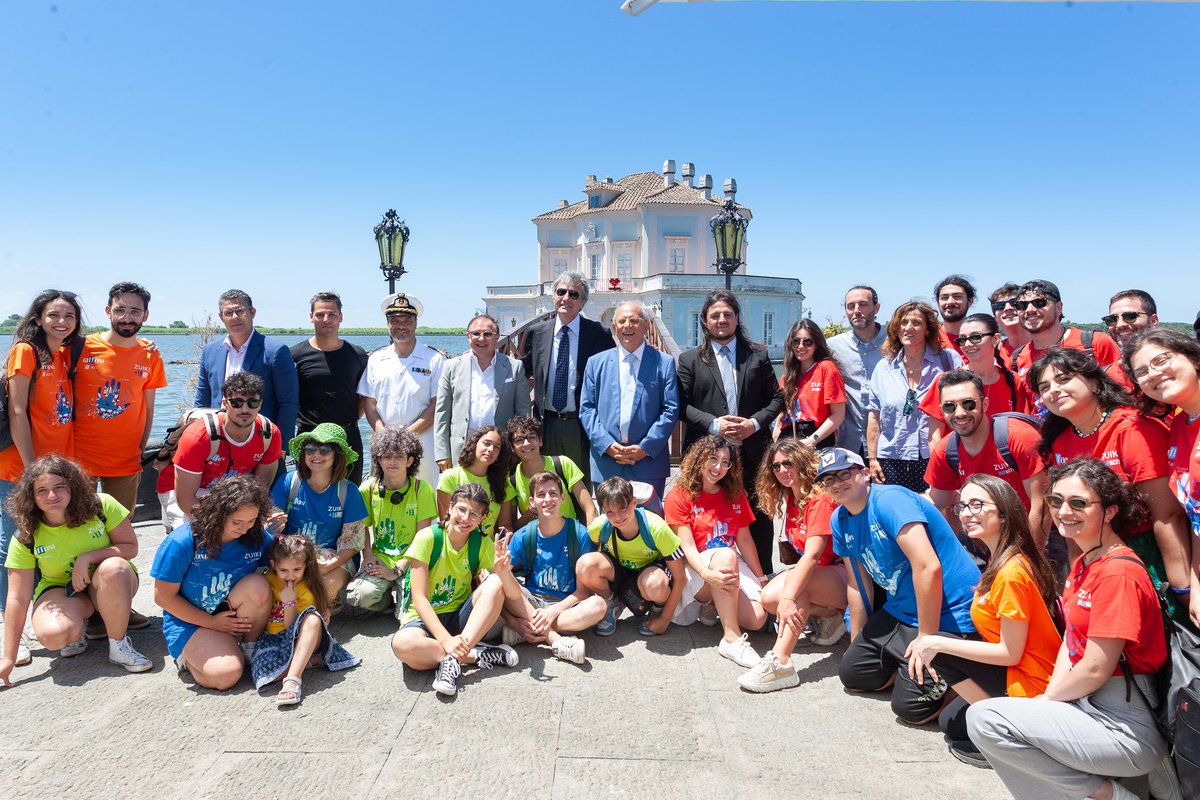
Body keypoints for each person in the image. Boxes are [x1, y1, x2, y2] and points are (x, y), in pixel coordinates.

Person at [968, 459, 1169, 800]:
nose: (1064, 511)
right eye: (1055, 501)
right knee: (1003, 722)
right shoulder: (1085, 562)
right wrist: (1050, 702)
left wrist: (1047, 703)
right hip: (1086, 703)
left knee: (986, 719)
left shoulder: (1118, 573)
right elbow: (1070, 644)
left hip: (1125, 724)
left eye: (1079, 503)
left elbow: (1094, 667)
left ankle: (1109, 796)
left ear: (1109, 511)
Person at [908, 475, 1061, 767]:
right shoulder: (1000, 559)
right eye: (962, 506)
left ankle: (1007, 734)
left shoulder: (1011, 571)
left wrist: (937, 641)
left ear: (1004, 513)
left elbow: (1010, 652)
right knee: (951, 723)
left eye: (977, 504)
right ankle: (1000, 722)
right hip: (1018, 670)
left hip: (1031, 681)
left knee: (939, 649)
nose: (966, 513)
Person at [825, 448, 982, 725]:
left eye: (843, 473)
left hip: (949, 614)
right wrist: (857, 641)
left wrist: (926, 638)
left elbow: (928, 566)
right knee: (853, 674)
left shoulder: (890, 500)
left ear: (864, 473)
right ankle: (906, 664)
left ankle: (960, 677)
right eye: (828, 479)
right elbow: (857, 582)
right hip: (901, 610)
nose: (837, 483)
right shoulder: (839, 519)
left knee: (911, 709)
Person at [1032, 348, 1193, 604]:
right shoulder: (1060, 443)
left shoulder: (1133, 428)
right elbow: (1072, 527)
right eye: (1044, 387)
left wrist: (1182, 587)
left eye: (1064, 379)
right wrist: (1079, 579)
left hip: (1151, 557)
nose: (1054, 390)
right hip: (1098, 562)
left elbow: (1168, 515)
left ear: (1095, 383)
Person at [1, 456, 151, 684]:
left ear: (74, 486)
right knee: (53, 636)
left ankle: (119, 645)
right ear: (31, 496)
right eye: (42, 490)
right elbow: (17, 598)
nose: (52, 496)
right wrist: (8, 658)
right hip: (61, 589)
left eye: (59, 487)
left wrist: (88, 557)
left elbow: (130, 548)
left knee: (114, 568)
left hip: (109, 580)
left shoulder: (101, 505)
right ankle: (82, 622)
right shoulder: (26, 535)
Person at [1, 289, 82, 666]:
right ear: (38, 318)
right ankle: (9, 639)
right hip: (22, 469)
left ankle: (47, 618)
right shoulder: (25, 352)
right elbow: (18, 412)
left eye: (69, 316)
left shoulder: (65, 353)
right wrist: (32, 472)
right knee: (14, 548)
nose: (61, 322)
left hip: (53, 468)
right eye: (53, 315)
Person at [677, 290, 784, 574]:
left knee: (758, 519)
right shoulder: (689, 361)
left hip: (751, 452)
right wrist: (715, 425)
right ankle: (708, 586)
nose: (721, 320)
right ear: (705, 321)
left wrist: (754, 423)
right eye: (715, 315)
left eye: (727, 314)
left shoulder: (758, 355)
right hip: (706, 456)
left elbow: (776, 398)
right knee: (706, 519)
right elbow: (680, 406)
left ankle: (764, 582)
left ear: (737, 318)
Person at [391, 483, 521, 698]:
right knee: (403, 645)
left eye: (474, 514)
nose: (465, 518)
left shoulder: (481, 543)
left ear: (482, 519)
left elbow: (512, 594)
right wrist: (446, 640)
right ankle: (474, 654)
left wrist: (503, 572)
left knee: (496, 582)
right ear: (449, 508)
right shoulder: (428, 538)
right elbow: (419, 598)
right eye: (461, 510)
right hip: (423, 618)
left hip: (459, 616)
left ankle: (452, 659)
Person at [738, 440, 848, 692]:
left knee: (796, 589)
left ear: (802, 462)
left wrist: (789, 599)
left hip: (844, 576)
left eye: (788, 462)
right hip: (824, 575)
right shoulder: (791, 497)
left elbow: (812, 555)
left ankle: (781, 662)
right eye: (776, 466)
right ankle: (831, 617)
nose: (781, 470)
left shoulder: (818, 499)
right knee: (767, 598)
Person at [151, 474, 274, 690]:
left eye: (252, 520)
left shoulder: (255, 537)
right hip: (189, 619)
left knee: (258, 585)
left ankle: (249, 646)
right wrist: (211, 623)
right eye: (237, 522)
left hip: (230, 610)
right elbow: (162, 597)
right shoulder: (183, 541)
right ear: (219, 514)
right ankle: (187, 659)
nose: (244, 528)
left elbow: (285, 563)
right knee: (225, 675)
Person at [664, 435, 767, 667]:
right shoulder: (678, 495)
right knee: (726, 555)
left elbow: (745, 540)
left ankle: (715, 606)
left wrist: (761, 578)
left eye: (725, 462)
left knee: (757, 619)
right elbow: (686, 545)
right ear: (699, 458)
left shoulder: (734, 493)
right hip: (695, 566)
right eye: (713, 459)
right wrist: (706, 573)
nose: (718, 467)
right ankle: (731, 638)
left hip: (727, 564)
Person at [1123, 327, 1200, 625]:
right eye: (1141, 371)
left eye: (1161, 360)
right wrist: (1195, 589)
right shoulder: (1180, 424)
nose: (1152, 374)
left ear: (1192, 356)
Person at [73, 282, 167, 516]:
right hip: (78, 460)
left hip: (125, 462)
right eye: (120, 310)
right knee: (75, 528)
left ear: (145, 315)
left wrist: (138, 451)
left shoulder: (150, 355)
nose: (127, 317)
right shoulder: (81, 347)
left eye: (135, 311)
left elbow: (148, 408)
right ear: (108, 311)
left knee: (120, 530)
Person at [924, 370, 1048, 547]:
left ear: (985, 404)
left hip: (1036, 536)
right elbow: (938, 501)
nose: (959, 413)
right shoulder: (945, 451)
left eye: (968, 404)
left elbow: (1041, 505)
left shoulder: (1019, 437)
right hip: (989, 542)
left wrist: (1029, 560)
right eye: (949, 407)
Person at [520, 271, 615, 486]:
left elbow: (613, 374)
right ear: (554, 297)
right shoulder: (536, 332)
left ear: (582, 303)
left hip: (581, 424)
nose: (566, 298)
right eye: (561, 292)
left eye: (574, 294)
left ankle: (581, 521)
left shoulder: (599, 333)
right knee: (547, 486)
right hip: (546, 423)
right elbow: (522, 372)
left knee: (580, 488)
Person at [580, 302, 679, 504]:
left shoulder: (664, 362)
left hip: (648, 462)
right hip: (607, 461)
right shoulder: (595, 363)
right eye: (622, 321)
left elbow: (670, 410)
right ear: (614, 327)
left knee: (649, 525)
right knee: (609, 526)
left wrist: (645, 447)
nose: (628, 326)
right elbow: (587, 408)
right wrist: (607, 445)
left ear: (646, 326)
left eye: (634, 320)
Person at [501, 470, 602, 664]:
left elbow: (583, 592)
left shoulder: (579, 534)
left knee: (598, 606)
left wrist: (552, 612)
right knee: (499, 581)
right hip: (531, 602)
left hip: (565, 605)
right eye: (541, 495)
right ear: (532, 502)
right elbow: (502, 581)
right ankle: (555, 640)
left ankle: (526, 631)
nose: (548, 499)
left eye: (553, 493)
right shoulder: (524, 535)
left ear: (563, 497)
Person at [250, 534, 360, 706]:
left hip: (297, 638)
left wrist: (289, 603)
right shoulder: (268, 580)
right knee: (263, 675)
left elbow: (290, 629)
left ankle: (293, 680)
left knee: (312, 619)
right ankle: (309, 660)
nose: (290, 576)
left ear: (305, 567)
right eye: (283, 570)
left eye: (296, 570)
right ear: (273, 565)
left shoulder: (306, 590)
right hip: (272, 640)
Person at [866, 300, 963, 492]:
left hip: (937, 454)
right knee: (895, 515)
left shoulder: (948, 360)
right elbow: (874, 417)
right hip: (892, 458)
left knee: (938, 513)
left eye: (916, 323)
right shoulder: (884, 368)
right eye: (903, 323)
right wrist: (872, 459)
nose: (908, 328)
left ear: (927, 329)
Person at [267, 423, 368, 602]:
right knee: (270, 595)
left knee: (314, 596)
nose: (316, 455)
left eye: (325, 450)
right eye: (310, 448)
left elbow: (352, 543)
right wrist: (273, 525)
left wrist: (324, 568)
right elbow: (270, 524)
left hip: (334, 559)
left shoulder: (348, 491)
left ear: (337, 455)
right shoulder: (289, 482)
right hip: (292, 556)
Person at [344, 427, 437, 618]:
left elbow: (422, 538)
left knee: (407, 615)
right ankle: (385, 599)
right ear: (378, 459)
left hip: (413, 560)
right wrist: (368, 555)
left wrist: (397, 570)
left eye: (399, 457)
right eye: (386, 456)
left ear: (410, 461)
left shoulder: (422, 489)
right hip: (381, 556)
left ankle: (400, 596)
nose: (392, 462)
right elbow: (364, 528)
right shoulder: (368, 489)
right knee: (359, 597)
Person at [575, 477, 685, 637]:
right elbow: (588, 557)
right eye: (610, 512)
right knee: (584, 565)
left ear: (634, 503)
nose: (618, 517)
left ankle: (657, 608)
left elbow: (680, 578)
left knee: (655, 584)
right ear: (604, 511)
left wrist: (664, 620)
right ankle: (612, 603)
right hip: (619, 571)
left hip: (650, 572)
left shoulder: (657, 528)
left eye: (623, 508)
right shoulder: (600, 526)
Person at [170, 372, 282, 524]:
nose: (245, 409)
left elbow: (259, 491)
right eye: (237, 402)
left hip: (234, 494)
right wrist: (222, 526)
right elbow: (185, 500)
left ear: (260, 404)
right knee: (192, 539)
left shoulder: (269, 434)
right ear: (225, 403)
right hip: (192, 491)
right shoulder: (198, 437)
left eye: (252, 403)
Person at [358, 293, 445, 488]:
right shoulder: (376, 359)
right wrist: (383, 434)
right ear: (388, 324)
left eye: (407, 321)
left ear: (415, 323)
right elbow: (369, 403)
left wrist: (407, 435)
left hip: (422, 441)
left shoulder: (435, 359)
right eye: (395, 321)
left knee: (424, 495)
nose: (401, 326)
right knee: (382, 496)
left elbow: (436, 404)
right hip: (383, 442)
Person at [195, 288, 299, 448]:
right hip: (216, 441)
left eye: (240, 311)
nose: (235, 317)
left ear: (252, 312)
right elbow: (202, 400)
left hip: (260, 442)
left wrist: (282, 447)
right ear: (221, 317)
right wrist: (197, 438)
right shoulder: (210, 351)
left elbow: (288, 404)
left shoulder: (275, 351)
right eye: (229, 313)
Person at [290, 292, 368, 484]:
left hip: (348, 436)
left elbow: (364, 397)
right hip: (309, 438)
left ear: (340, 317)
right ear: (311, 317)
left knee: (350, 495)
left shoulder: (356, 354)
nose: (326, 319)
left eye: (332, 314)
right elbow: (287, 397)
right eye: (320, 314)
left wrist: (348, 421)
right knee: (307, 496)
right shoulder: (295, 355)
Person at [1010, 279, 1121, 414]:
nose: (1030, 310)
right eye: (1022, 305)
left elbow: (1121, 391)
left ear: (1058, 307)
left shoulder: (1095, 343)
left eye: (1039, 303)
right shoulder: (1017, 358)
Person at [435, 313, 530, 469]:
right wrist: (442, 453)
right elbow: (442, 414)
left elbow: (523, 412)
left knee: (498, 492)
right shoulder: (451, 367)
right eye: (476, 334)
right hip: (462, 448)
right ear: (468, 336)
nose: (481, 338)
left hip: (500, 450)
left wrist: (520, 448)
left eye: (487, 334)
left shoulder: (514, 367)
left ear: (497, 337)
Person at [919, 313, 1025, 447]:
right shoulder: (945, 382)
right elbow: (934, 437)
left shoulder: (1013, 380)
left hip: (1004, 464)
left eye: (976, 337)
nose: (968, 344)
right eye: (962, 340)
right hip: (959, 465)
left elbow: (1020, 428)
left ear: (996, 339)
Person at [828, 285, 888, 458]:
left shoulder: (895, 344)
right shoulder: (832, 346)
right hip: (848, 443)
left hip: (886, 444)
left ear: (876, 308)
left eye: (863, 304)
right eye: (850, 306)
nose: (856, 311)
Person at [506, 414, 595, 526]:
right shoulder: (511, 480)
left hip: (570, 537)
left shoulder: (562, 464)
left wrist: (591, 540)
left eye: (532, 437)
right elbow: (512, 527)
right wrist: (532, 512)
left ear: (540, 441)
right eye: (519, 440)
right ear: (512, 447)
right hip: (536, 540)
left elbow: (590, 508)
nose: (526, 443)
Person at [775, 318, 845, 449]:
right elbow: (781, 418)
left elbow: (838, 414)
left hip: (817, 441)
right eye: (796, 341)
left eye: (807, 342)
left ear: (816, 344)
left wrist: (813, 440)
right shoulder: (787, 376)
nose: (800, 346)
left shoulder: (826, 368)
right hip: (788, 440)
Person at [436, 425, 515, 537]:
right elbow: (445, 521)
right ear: (474, 444)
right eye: (486, 443)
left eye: (497, 447)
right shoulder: (450, 477)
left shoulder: (503, 483)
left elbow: (505, 524)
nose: (491, 450)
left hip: (487, 549)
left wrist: (504, 538)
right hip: (455, 546)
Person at [988, 282, 1032, 364]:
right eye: (1000, 306)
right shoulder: (992, 357)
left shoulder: (1047, 346)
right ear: (995, 318)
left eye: (1014, 303)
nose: (1008, 308)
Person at [934, 274, 977, 354]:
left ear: (970, 301)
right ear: (938, 302)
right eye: (944, 297)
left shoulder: (982, 339)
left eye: (957, 296)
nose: (950, 302)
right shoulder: (929, 338)